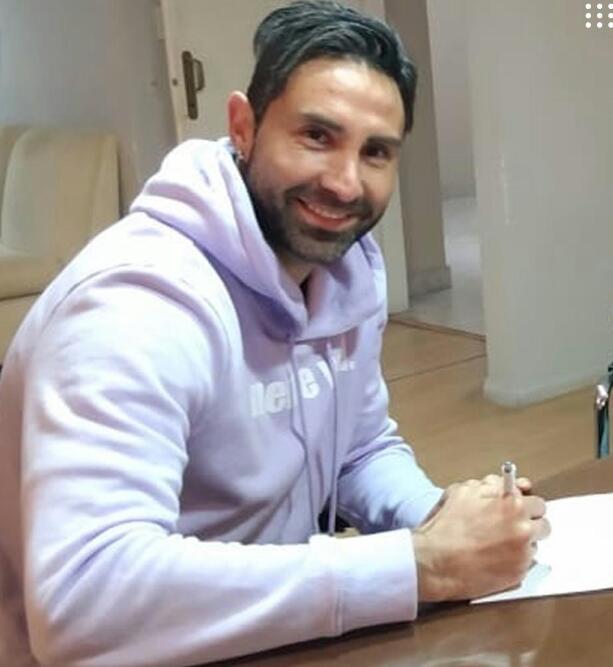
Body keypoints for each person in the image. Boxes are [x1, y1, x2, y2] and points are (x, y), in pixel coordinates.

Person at [0, 1, 549, 665]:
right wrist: (421, 564)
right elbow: (83, 601)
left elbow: (358, 448)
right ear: (243, 126)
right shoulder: (132, 307)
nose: (344, 182)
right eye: (317, 135)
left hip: (274, 635)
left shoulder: (344, 269)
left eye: (375, 152)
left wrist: (442, 521)